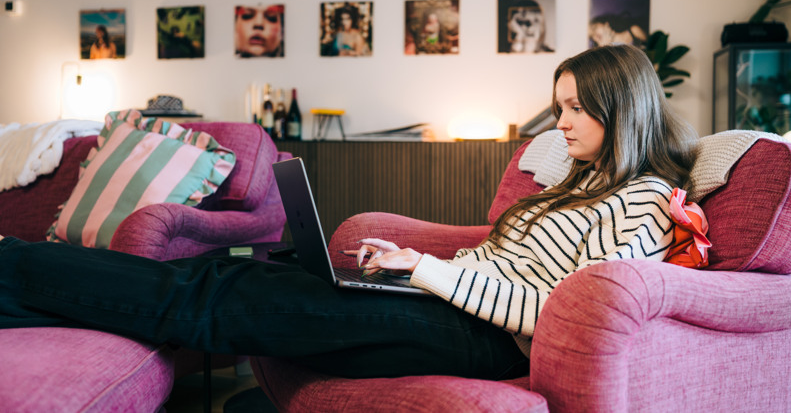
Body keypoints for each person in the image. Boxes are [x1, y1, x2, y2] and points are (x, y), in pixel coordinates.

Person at [0, 45, 697, 380]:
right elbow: (503, 266)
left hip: (484, 340)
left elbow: (561, 316)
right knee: (233, 280)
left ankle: (15, 272)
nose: (561, 123)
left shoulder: (642, 204)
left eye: (577, 109)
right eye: (562, 104)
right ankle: (22, 280)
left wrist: (430, 272)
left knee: (216, 298)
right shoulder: (578, 184)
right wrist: (414, 268)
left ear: (622, 108)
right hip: (452, 305)